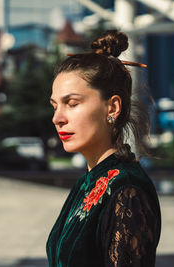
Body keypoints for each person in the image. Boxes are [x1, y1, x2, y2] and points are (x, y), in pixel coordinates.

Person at [46, 30, 161, 267]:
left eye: (72, 103)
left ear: (112, 108)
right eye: (55, 106)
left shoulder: (127, 190)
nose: (57, 118)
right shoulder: (88, 181)